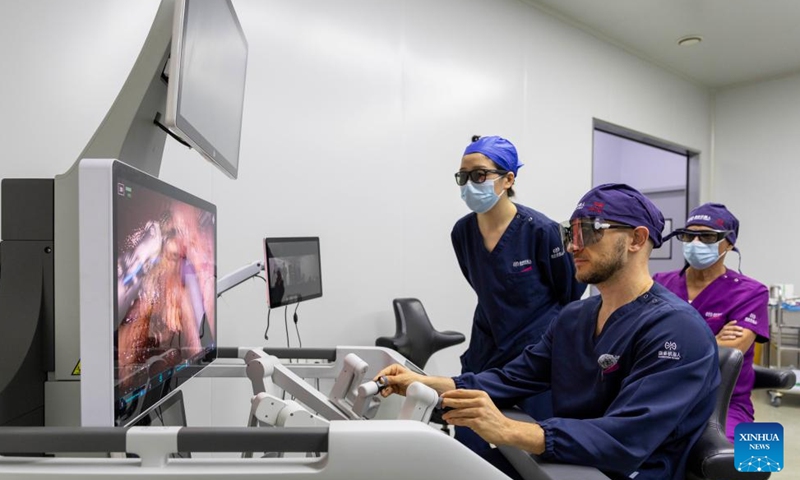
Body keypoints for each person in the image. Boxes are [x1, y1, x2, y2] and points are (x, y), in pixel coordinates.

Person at [377, 183, 720, 480]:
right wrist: (426, 383)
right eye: (570, 233)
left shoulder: (676, 330)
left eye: (589, 230)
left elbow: (627, 437)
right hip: (569, 462)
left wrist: (511, 429)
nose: (573, 245)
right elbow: (515, 377)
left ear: (636, 239)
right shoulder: (574, 317)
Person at [451, 135, 585, 449]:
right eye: (464, 176)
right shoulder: (462, 232)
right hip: (486, 349)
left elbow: (570, 292)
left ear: (509, 179)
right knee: (474, 442)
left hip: (536, 357)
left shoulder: (542, 230)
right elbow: (483, 286)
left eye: (480, 175)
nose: (470, 183)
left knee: (528, 449)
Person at [654, 203, 769, 442]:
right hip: (663, 395)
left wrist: (671, 346)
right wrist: (711, 340)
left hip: (725, 401)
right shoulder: (659, 283)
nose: (695, 243)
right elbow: (642, 345)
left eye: (707, 236)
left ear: (729, 243)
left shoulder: (752, 292)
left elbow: (729, 353)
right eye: (689, 235)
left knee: (758, 457)